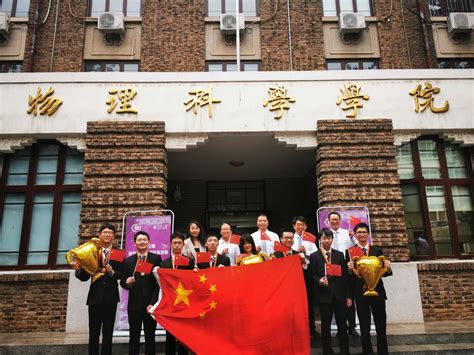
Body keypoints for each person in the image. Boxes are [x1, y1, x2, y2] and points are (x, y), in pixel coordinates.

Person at [72, 223, 121, 355]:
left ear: (114, 236)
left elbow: (121, 273)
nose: (107, 235)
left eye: (110, 233)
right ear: (99, 235)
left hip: (111, 298)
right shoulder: (92, 252)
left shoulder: (118, 253)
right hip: (95, 298)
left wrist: (113, 273)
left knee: (108, 332)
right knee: (93, 332)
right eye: (104, 232)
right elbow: (85, 277)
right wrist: (78, 270)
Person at [346, 223, 392, 355]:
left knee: (381, 326)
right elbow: (349, 278)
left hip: (378, 293)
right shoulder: (350, 252)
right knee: (364, 327)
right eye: (359, 232)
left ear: (368, 234)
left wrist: (388, 267)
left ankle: (383, 352)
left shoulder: (377, 250)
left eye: (364, 232)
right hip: (360, 294)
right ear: (355, 234)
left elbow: (385, 273)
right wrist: (349, 270)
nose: (361, 234)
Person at [120, 231, 162, 355]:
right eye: (139, 240)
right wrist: (127, 282)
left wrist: (153, 303)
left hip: (150, 305)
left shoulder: (156, 258)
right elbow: (122, 282)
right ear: (134, 243)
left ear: (149, 242)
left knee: (150, 337)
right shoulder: (128, 261)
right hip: (134, 305)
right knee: (134, 336)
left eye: (144, 240)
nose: (142, 242)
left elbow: (159, 283)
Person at [310, 228, 350, 355]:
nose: (326, 240)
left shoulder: (339, 255)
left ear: (332, 239)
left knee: (342, 326)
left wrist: (348, 296)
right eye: (324, 238)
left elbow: (344, 277)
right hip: (324, 296)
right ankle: (327, 351)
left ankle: (345, 351)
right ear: (320, 240)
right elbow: (311, 275)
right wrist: (319, 280)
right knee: (325, 327)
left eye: (329, 238)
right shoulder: (314, 256)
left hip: (339, 296)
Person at [160, 232, 196, 355]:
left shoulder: (189, 261)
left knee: (183, 334)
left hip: (184, 302)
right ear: (170, 245)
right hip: (170, 303)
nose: (177, 245)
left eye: (179, 243)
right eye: (174, 243)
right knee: (169, 334)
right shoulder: (164, 263)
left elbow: (192, 282)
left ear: (183, 245)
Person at [328, 211, 359, 337]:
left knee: (349, 297)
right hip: (331, 265)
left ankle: (352, 327)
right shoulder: (327, 234)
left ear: (340, 220)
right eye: (332, 220)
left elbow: (356, 246)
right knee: (335, 298)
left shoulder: (348, 233)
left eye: (336, 219)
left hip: (346, 266)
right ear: (329, 221)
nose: (334, 221)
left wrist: (352, 237)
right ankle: (341, 327)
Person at [292, 216, 318, 341]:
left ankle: (312, 328)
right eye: (298, 224)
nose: (300, 227)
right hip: (294, 273)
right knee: (295, 301)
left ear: (305, 226)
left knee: (309, 300)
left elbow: (316, 256)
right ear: (294, 226)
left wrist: (305, 251)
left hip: (307, 272)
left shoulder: (310, 239)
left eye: (302, 224)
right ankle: (297, 328)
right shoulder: (289, 238)